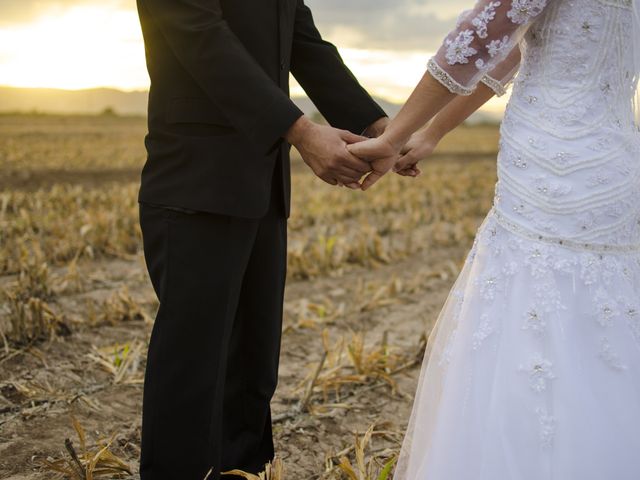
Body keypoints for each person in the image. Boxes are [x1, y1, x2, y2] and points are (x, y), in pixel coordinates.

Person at [350, 0, 640, 478]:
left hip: (551, 162)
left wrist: (393, 135)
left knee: (529, 308)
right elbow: (509, 55)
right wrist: (433, 132)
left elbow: (478, 40)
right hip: (615, 165)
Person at [135, 0, 388, 478]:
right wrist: (301, 132)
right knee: (195, 372)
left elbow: (303, 42)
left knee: (253, 369)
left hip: (263, 187)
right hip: (198, 182)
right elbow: (200, 35)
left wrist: (380, 128)